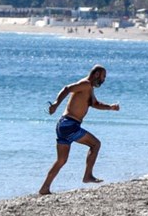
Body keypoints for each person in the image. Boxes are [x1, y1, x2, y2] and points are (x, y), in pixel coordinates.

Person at [39, 65, 120, 195]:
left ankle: (44, 188)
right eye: (103, 77)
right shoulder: (85, 84)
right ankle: (87, 176)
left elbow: (95, 104)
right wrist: (55, 104)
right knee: (95, 144)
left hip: (63, 125)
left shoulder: (89, 88)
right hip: (70, 124)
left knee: (61, 160)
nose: (104, 80)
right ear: (97, 74)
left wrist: (110, 107)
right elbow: (67, 89)